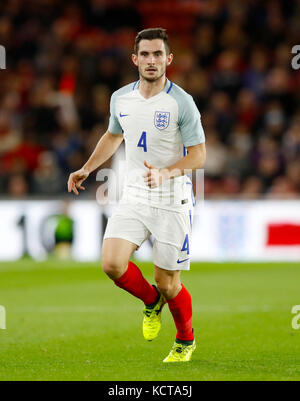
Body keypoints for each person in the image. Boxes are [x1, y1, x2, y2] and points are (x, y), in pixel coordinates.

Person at [68, 28, 206, 362]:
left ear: (168, 59)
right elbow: (113, 136)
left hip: (172, 200)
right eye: (145, 54)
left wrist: (165, 172)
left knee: (169, 284)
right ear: (135, 59)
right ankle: (150, 302)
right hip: (134, 194)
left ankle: (185, 340)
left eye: (158, 54)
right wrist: (87, 167)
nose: (151, 60)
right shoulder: (120, 98)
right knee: (112, 264)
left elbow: (199, 155)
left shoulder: (181, 103)